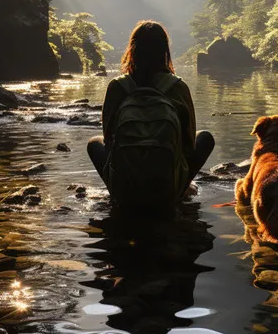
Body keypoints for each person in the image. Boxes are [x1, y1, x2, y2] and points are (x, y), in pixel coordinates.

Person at [87, 20, 215, 211]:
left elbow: (108, 138)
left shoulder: (118, 86)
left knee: (93, 143)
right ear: (164, 51)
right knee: (205, 138)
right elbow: (188, 144)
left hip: (125, 191)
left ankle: (119, 190)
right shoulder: (177, 87)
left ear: (133, 50)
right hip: (166, 190)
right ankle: (179, 189)